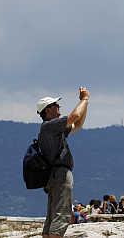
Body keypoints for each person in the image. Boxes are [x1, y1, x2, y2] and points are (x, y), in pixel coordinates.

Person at [38, 86, 89, 238]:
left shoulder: (52, 129)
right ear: (47, 110)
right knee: (62, 212)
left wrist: (85, 103)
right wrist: (84, 99)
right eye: (55, 105)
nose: (59, 107)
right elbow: (74, 117)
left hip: (54, 175)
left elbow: (78, 124)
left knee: (54, 214)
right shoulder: (49, 126)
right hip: (60, 174)